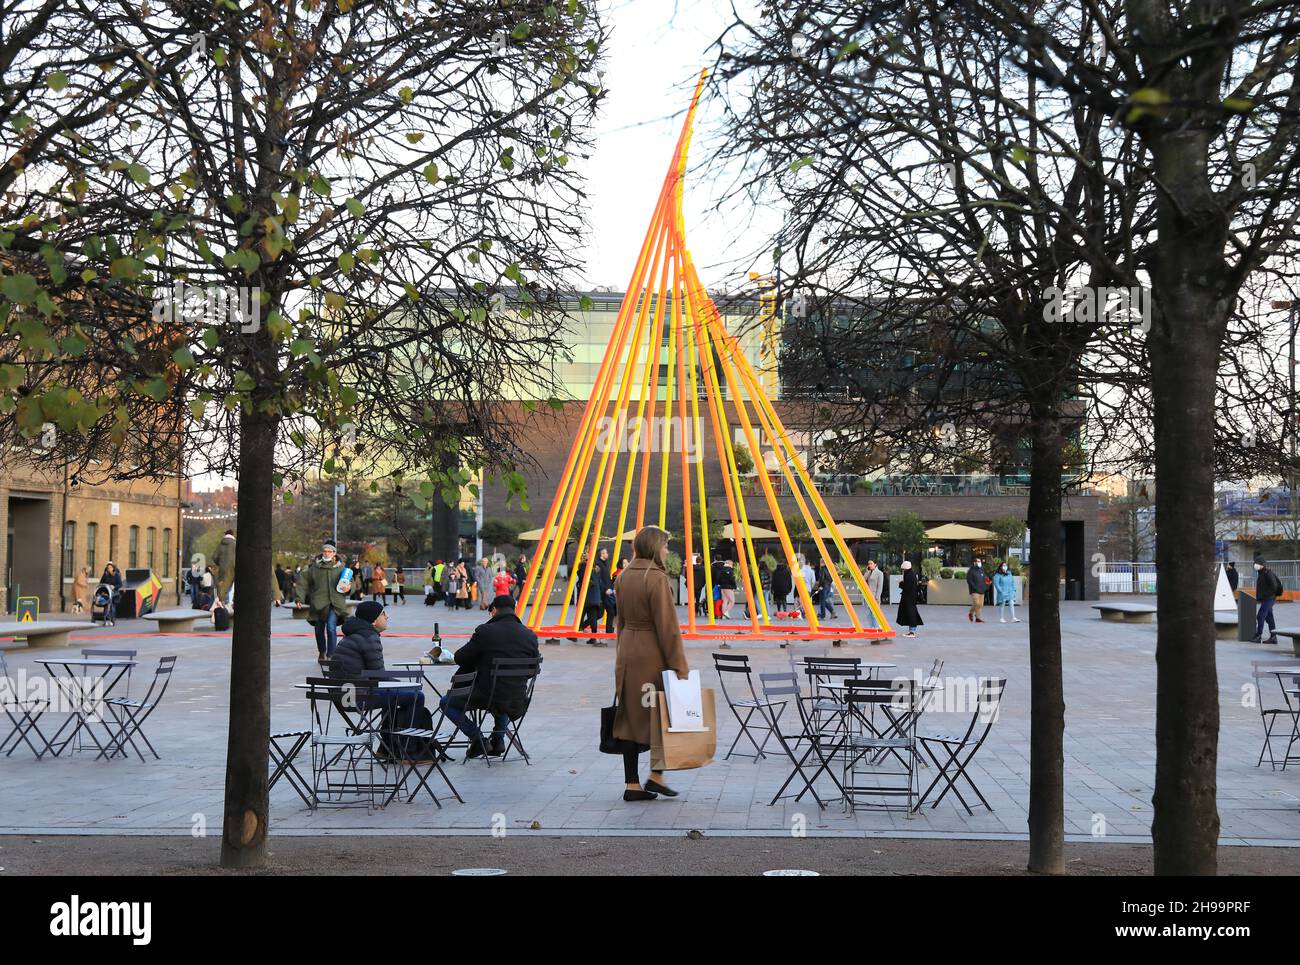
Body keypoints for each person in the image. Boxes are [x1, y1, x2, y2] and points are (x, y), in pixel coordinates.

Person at [612, 525, 689, 802]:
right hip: (651, 655)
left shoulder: (623, 577)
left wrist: (621, 651)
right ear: (655, 547)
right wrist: (680, 665)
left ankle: (633, 784)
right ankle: (656, 776)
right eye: (665, 546)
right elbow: (667, 628)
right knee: (661, 715)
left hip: (627, 652)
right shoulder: (655, 578)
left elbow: (619, 621)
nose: (667, 551)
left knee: (630, 717)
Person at [441, 594, 541, 758]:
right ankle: (498, 738)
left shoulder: (485, 631)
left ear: (494, 610)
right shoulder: (529, 635)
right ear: (514, 611)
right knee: (502, 694)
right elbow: (532, 669)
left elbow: (460, 657)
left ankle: (477, 738)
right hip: (518, 697)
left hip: (486, 695)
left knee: (446, 702)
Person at [328, 600, 428, 757]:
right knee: (416, 696)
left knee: (393, 694)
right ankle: (408, 751)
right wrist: (407, 685)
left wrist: (401, 685)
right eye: (383, 613)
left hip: (344, 697)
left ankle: (387, 747)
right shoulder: (368, 637)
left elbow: (378, 677)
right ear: (373, 620)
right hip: (357, 697)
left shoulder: (353, 635)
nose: (387, 617)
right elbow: (379, 675)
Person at [304, 539, 350, 657]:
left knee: (330, 627)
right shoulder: (314, 567)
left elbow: (351, 583)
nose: (327, 553)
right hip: (319, 604)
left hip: (334, 604)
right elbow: (303, 582)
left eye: (330, 551)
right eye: (325, 551)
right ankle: (322, 651)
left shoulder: (341, 567)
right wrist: (299, 598)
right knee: (319, 630)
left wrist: (349, 588)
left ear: (334, 553)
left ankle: (331, 655)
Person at [1253, 557, 1282, 644]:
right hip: (1266, 598)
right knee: (1269, 617)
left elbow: (1274, 586)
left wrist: (1266, 595)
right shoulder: (1261, 573)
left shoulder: (1268, 573)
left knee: (1260, 615)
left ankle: (1258, 636)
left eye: (1257, 563)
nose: (1255, 565)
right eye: (1255, 563)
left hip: (1269, 598)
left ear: (1262, 565)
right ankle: (1273, 637)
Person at [897, 560, 923, 638]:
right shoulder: (911, 574)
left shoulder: (908, 575)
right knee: (911, 613)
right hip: (911, 598)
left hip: (909, 598)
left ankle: (912, 632)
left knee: (911, 614)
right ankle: (911, 630)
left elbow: (907, 587)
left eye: (903, 569)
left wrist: (901, 584)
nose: (903, 571)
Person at [211, 529, 236, 606]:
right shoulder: (235, 544)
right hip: (234, 566)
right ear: (233, 535)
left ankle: (222, 604)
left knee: (223, 587)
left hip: (223, 568)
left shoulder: (220, 545)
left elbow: (214, 557)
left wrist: (221, 563)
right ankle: (234, 604)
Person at [966, 558, 987, 624]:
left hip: (982, 590)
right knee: (976, 603)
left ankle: (977, 618)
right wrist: (974, 588)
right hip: (974, 590)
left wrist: (985, 586)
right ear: (974, 562)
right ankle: (971, 613)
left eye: (980, 561)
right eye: (978, 561)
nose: (979, 562)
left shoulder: (982, 569)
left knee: (980, 605)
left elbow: (984, 579)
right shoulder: (971, 570)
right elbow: (969, 580)